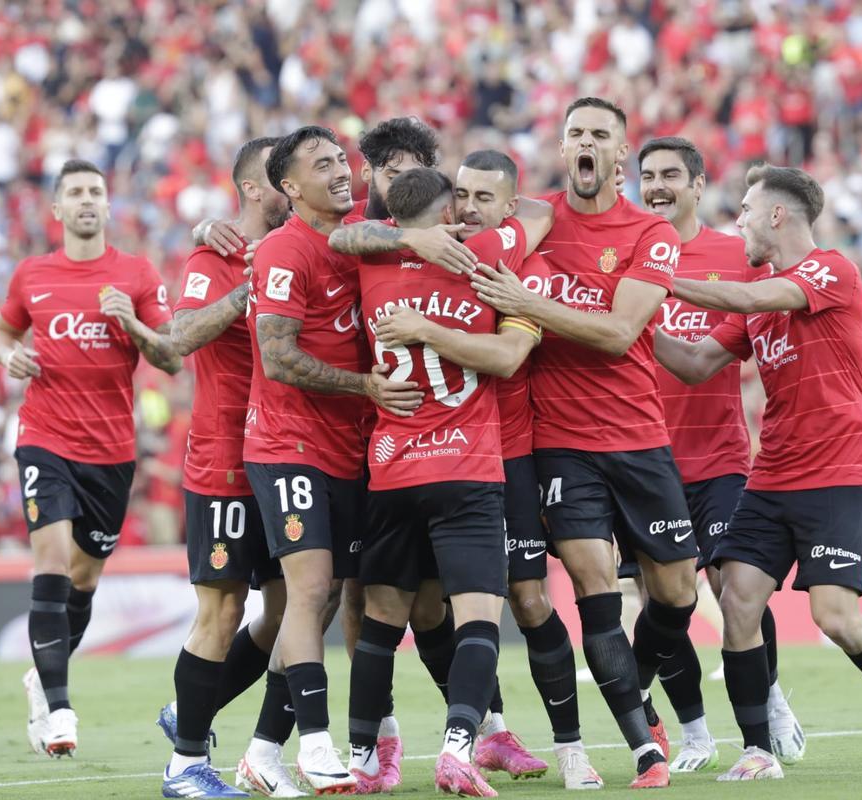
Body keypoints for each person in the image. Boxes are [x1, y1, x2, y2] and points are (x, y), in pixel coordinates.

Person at [655, 164, 862, 780]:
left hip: (835, 469)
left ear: (777, 215)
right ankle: (758, 750)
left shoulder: (832, 270)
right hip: (772, 472)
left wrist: (659, 281)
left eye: (747, 210)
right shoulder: (759, 288)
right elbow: (698, 362)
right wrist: (638, 325)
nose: (740, 223)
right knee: (739, 600)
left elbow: (753, 297)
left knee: (836, 618)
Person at [332, 149, 595, 788]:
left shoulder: (369, 261)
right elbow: (532, 216)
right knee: (478, 619)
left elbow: (344, 234)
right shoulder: (491, 255)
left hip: (391, 469)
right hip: (467, 468)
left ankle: (365, 759)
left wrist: (405, 237)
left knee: (379, 627)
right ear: (448, 211)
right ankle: (457, 746)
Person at [470, 97, 703, 790]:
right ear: (564, 146)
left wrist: (527, 301)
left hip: (638, 435)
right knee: (595, 590)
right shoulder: (533, 222)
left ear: (620, 155)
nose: (586, 143)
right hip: (561, 444)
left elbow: (618, 333)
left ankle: (639, 688)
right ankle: (644, 751)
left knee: (677, 593)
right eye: (576, 133)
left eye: (600, 134)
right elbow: (463, 222)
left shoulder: (652, 231)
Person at [244, 126, 423, 794]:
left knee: (319, 608)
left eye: (341, 161)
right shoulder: (288, 249)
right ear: (288, 187)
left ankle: (263, 750)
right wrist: (365, 386)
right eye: (322, 165)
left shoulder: (356, 243)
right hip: (287, 444)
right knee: (310, 590)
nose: (341, 172)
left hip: (351, 451)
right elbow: (279, 356)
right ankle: (316, 744)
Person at [0, 159, 181, 758]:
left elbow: (173, 357)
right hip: (45, 437)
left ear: (107, 203)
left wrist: (132, 323)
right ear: (57, 209)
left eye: (95, 191)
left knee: (84, 578)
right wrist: (8, 357)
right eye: (75, 192)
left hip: (111, 452)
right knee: (50, 561)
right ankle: (60, 708)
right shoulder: (32, 275)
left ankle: (41, 679)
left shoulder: (136, 274)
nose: (86, 200)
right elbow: (1, 332)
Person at [638, 136, 803, 768]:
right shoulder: (625, 251)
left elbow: (772, 322)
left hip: (723, 456)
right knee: (667, 600)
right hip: (645, 459)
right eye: (648, 175)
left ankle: (768, 696)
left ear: (699, 184)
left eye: (671, 175)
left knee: (736, 586)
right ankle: (697, 735)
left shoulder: (737, 255)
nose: (657, 185)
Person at [157, 138, 299, 799]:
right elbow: (179, 336)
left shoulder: (302, 247)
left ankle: (194, 712)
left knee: (293, 610)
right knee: (222, 609)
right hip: (224, 458)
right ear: (253, 189)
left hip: (289, 452)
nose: (297, 185)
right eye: (283, 177)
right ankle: (185, 766)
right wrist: (248, 289)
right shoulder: (213, 255)